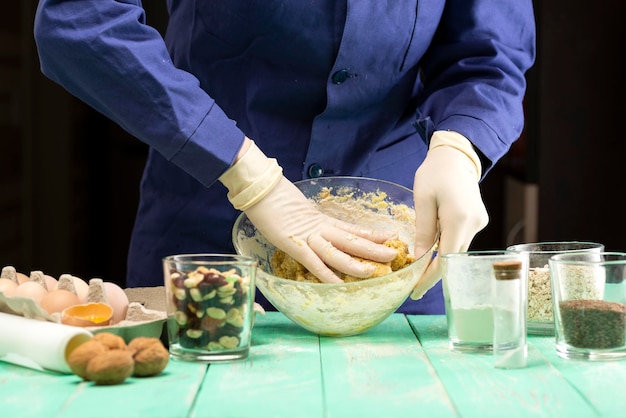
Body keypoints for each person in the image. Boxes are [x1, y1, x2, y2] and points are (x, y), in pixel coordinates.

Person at [33, 1, 536, 314]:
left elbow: (490, 54)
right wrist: (252, 178)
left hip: (396, 263)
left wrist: (460, 147)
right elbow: (78, 19)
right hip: (209, 226)